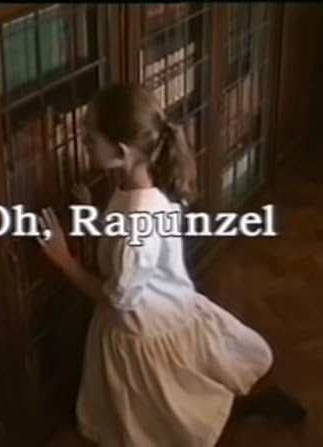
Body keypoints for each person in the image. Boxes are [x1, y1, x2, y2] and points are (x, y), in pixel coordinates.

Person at [37, 84, 306, 447]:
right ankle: (243, 403)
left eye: (89, 137)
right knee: (192, 387)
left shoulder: (139, 217)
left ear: (120, 152)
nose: (82, 142)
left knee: (177, 414)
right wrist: (91, 213)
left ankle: (237, 411)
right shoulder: (140, 188)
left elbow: (117, 296)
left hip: (143, 323)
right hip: (165, 306)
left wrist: (65, 262)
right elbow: (121, 236)